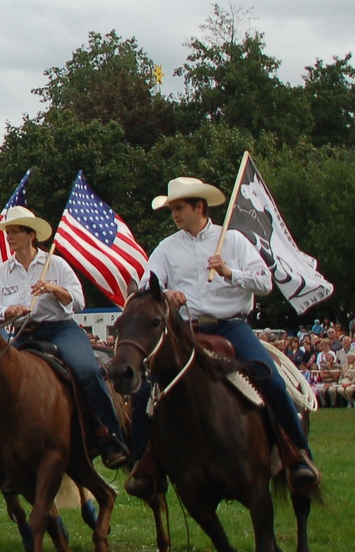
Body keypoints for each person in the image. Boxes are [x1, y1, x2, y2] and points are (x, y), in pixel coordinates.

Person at [130, 176, 319, 497]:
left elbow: (265, 283)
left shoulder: (233, 241)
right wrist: (166, 294)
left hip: (231, 326)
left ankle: (297, 453)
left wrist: (231, 273)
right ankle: (144, 464)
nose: (174, 215)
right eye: (172, 209)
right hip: (186, 330)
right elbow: (147, 284)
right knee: (143, 390)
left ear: (199, 207)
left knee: (270, 379)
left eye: (180, 208)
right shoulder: (166, 248)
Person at [0, 205, 130, 469]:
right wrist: (9, 311)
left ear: (31, 235)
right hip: (23, 332)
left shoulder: (55, 264)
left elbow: (78, 301)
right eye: (8, 232)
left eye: (15, 232)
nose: (9, 237)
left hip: (60, 329)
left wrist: (54, 289)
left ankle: (110, 436)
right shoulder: (1, 271)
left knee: (86, 370)